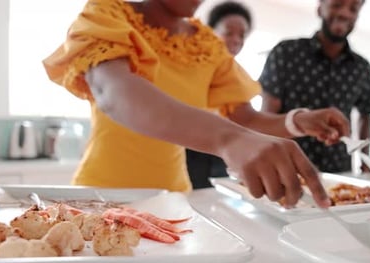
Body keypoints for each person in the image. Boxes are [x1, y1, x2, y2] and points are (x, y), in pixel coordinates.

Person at [43, 0, 350, 208]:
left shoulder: (207, 45)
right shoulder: (107, 14)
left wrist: (296, 121)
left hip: (174, 199)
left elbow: (244, 116)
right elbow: (114, 94)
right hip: (101, 194)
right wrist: (229, 139)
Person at [259, 0, 370, 174]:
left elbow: (365, 115)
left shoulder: (361, 67)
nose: (345, 13)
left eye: (353, 9)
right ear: (319, 9)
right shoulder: (285, 53)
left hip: (340, 173)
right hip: (289, 170)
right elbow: (266, 116)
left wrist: (366, 166)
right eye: (337, 4)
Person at [186, 1, 253, 189]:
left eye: (242, 34)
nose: (236, 39)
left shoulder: (239, 77)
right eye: (229, 32)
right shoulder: (191, 65)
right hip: (189, 154)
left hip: (222, 157)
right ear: (211, 31)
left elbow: (248, 119)